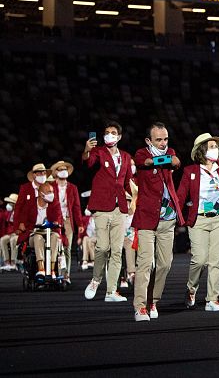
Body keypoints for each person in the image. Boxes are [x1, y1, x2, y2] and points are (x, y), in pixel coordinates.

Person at [176, 133, 219, 313]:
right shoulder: (190, 171)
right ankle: (191, 288)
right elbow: (181, 196)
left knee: (216, 261)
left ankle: (212, 299)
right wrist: (176, 218)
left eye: (216, 146)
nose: (215, 149)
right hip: (199, 220)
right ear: (202, 150)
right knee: (199, 260)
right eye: (211, 146)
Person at [131, 121, 183, 321]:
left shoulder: (170, 151)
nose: (163, 143)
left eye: (165, 139)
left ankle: (153, 300)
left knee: (165, 264)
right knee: (145, 264)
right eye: (158, 140)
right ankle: (140, 306)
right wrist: (166, 159)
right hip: (146, 217)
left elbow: (176, 162)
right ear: (148, 140)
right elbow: (146, 163)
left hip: (167, 218)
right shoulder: (141, 153)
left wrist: (168, 158)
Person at [82, 121, 133, 302]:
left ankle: (111, 291)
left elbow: (128, 182)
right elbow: (88, 163)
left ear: (119, 137)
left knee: (117, 251)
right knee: (103, 247)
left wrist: (135, 199)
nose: (109, 135)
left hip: (120, 208)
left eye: (113, 132)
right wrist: (87, 150)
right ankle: (96, 280)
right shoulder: (98, 152)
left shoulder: (125, 156)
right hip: (102, 207)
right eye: (106, 132)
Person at [17, 182, 65, 276]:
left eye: (52, 192)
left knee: (55, 237)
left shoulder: (55, 204)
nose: (51, 194)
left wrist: (56, 222)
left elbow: (58, 218)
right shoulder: (30, 204)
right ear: (40, 194)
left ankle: (52, 269)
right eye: (48, 192)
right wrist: (22, 224)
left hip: (50, 232)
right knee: (38, 238)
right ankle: (41, 268)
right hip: (34, 232)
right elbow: (22, 219)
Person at [51, 161, 83, 284]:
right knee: (55, 246)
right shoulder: (51, 186)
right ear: (56, 172)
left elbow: (76, 207)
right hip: (55, 220)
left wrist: (80, 224)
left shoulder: (72, 188)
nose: (63, 171)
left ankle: (66, 275)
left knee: (67, 248)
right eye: (60, 169)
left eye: (65, 169)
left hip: (68, 220)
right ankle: (54, 272)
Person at [1, 194, 19, 271]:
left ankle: (13, 263)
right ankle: (7, 262)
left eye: (11, 203)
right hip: (10, 233)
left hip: (18, 233)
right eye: (9, 203)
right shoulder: (8, 212)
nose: (9, 204)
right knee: (2, 240)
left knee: (13, 240)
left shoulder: (20, 212)